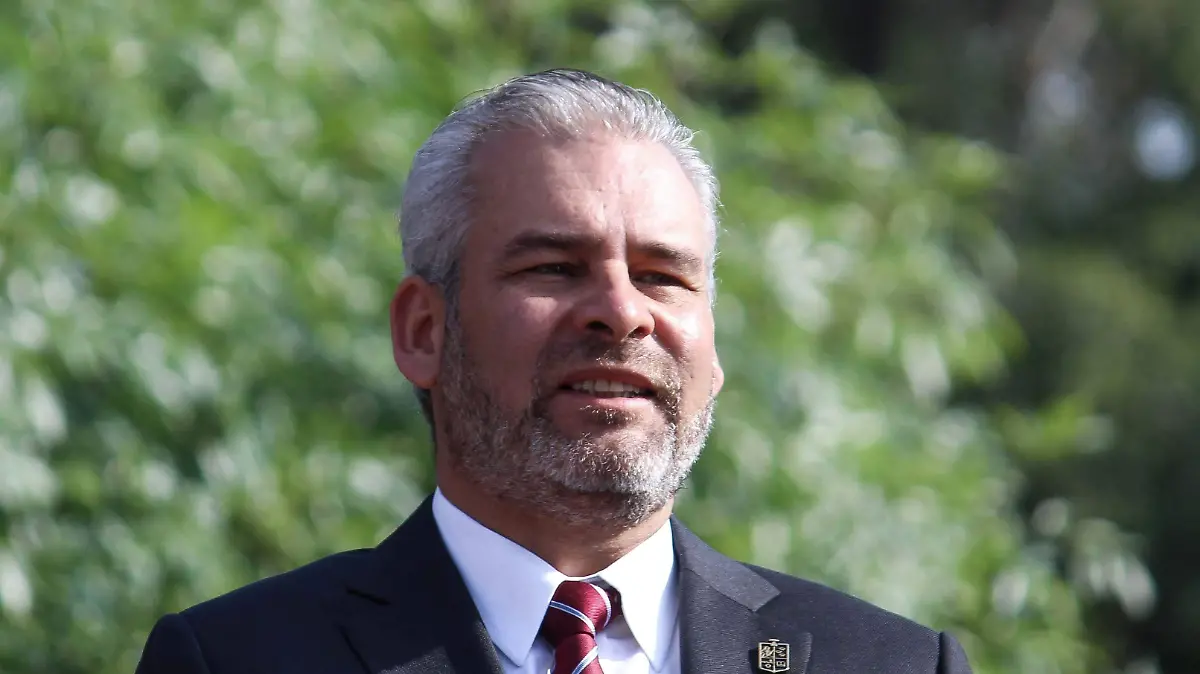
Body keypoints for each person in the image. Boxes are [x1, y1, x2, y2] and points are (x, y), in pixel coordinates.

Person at [134, 68, 973, 674]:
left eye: (663, 276)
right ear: (424, 331)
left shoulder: (893, 663)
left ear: (713, 352)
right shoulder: (237, 658)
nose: (623, 312)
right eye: (553, 268)